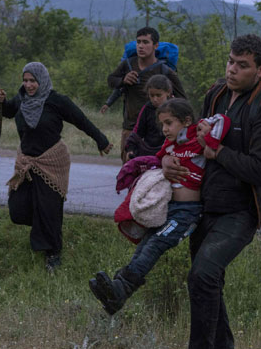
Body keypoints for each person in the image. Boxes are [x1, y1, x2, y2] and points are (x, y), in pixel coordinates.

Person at [162, 34, 261, 349]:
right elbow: (194, 143)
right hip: (204, 205)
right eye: (231, 61)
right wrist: (171, 158)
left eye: (242, 65)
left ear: (260, 71)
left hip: (242, 210)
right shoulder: (216, 94)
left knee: (202, 276)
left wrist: (220, 154)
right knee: (208, 282)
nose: (232, 69)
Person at [89, 99, 230, 315]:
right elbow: (159, 157)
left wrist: (205, 125)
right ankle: (117, 291)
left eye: (169, 123)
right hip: (168, 209)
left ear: (186, 121)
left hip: (187, 213)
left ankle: (120, 289)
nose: (165, 129)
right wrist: (164, 162)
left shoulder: (197, 137)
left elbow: (224, 120)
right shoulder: (171, 145)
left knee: (156, 244)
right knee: (145, 244)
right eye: (162, 124)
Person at [0, 62, 113, 272]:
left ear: (42, 80)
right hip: (26, 162)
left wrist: (101, 140)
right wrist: (0, 103)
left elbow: (81, 120)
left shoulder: (57, 101)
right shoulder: (22, 99)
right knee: (18, 208)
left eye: (33, 81)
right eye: (26, 80)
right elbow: (9, 111)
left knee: (49, 209)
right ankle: (42, 231)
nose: (29, 85)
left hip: (52, 161)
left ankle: (53, 253)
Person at [107, 27, 187, 162]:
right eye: (138, 42)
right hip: (130, 129)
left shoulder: (164, 70)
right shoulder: (128, 64)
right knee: (128, 171)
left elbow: (183, 100)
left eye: (145, 42)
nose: (141, 46)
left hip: (157, 132)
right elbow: (111, 80)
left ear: (155, 45)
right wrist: (123, 80)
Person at [124, 74, 173, 160]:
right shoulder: (147, 108)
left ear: (168, 92)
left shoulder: (176, 108)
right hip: (149, 152)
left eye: (159, 95)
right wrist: (130, 148)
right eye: (152, 95)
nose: (155, 99)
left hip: (170, 152)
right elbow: (137, 132)